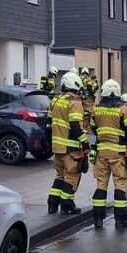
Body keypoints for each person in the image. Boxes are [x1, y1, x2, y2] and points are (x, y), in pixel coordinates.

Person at [90, 79, 127, 228]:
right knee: (120, 185)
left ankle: (98, 220)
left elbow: (93, 128)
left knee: (101, 185)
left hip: (101, 153)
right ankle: (120, 220)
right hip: (118, 154)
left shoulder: (96, 109)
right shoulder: (123, 109)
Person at [47, 71, 89, 215]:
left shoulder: (56, 101)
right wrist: (85, 143)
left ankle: (52, 204)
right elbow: (76, 127)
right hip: (70, 148)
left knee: (60, 175)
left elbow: (49, 122)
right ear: (75, 85)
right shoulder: (74, 103)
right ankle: (67, 205)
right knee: (71, 176)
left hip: (57, 146)